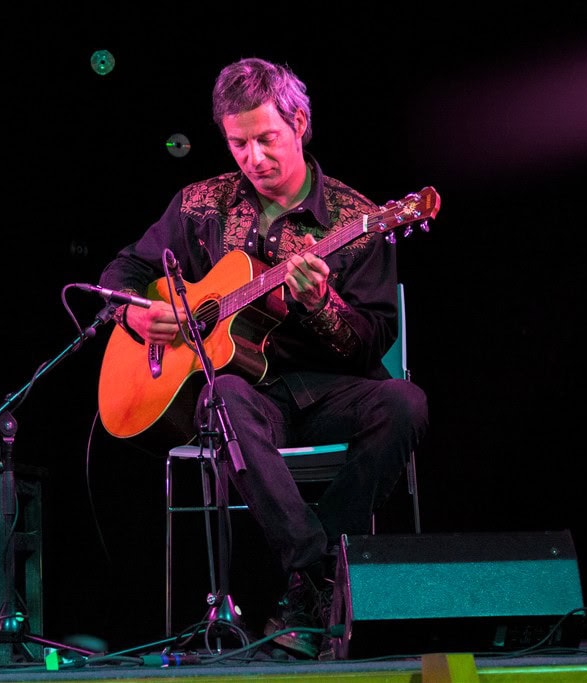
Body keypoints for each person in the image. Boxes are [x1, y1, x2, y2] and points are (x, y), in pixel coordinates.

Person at [97, 56, 429, 659]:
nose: (253, 158)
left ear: (299, 123)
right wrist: (134, 313)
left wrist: (322, 304)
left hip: (329, 395)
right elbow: (124, 269)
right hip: (249, 400)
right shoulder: (202, 203)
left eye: (267, 138)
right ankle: (320, 577)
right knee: (222, 397)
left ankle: (307, 582)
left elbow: (371, 340)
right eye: (239, 143)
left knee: (405, 402)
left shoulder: (357, 218)